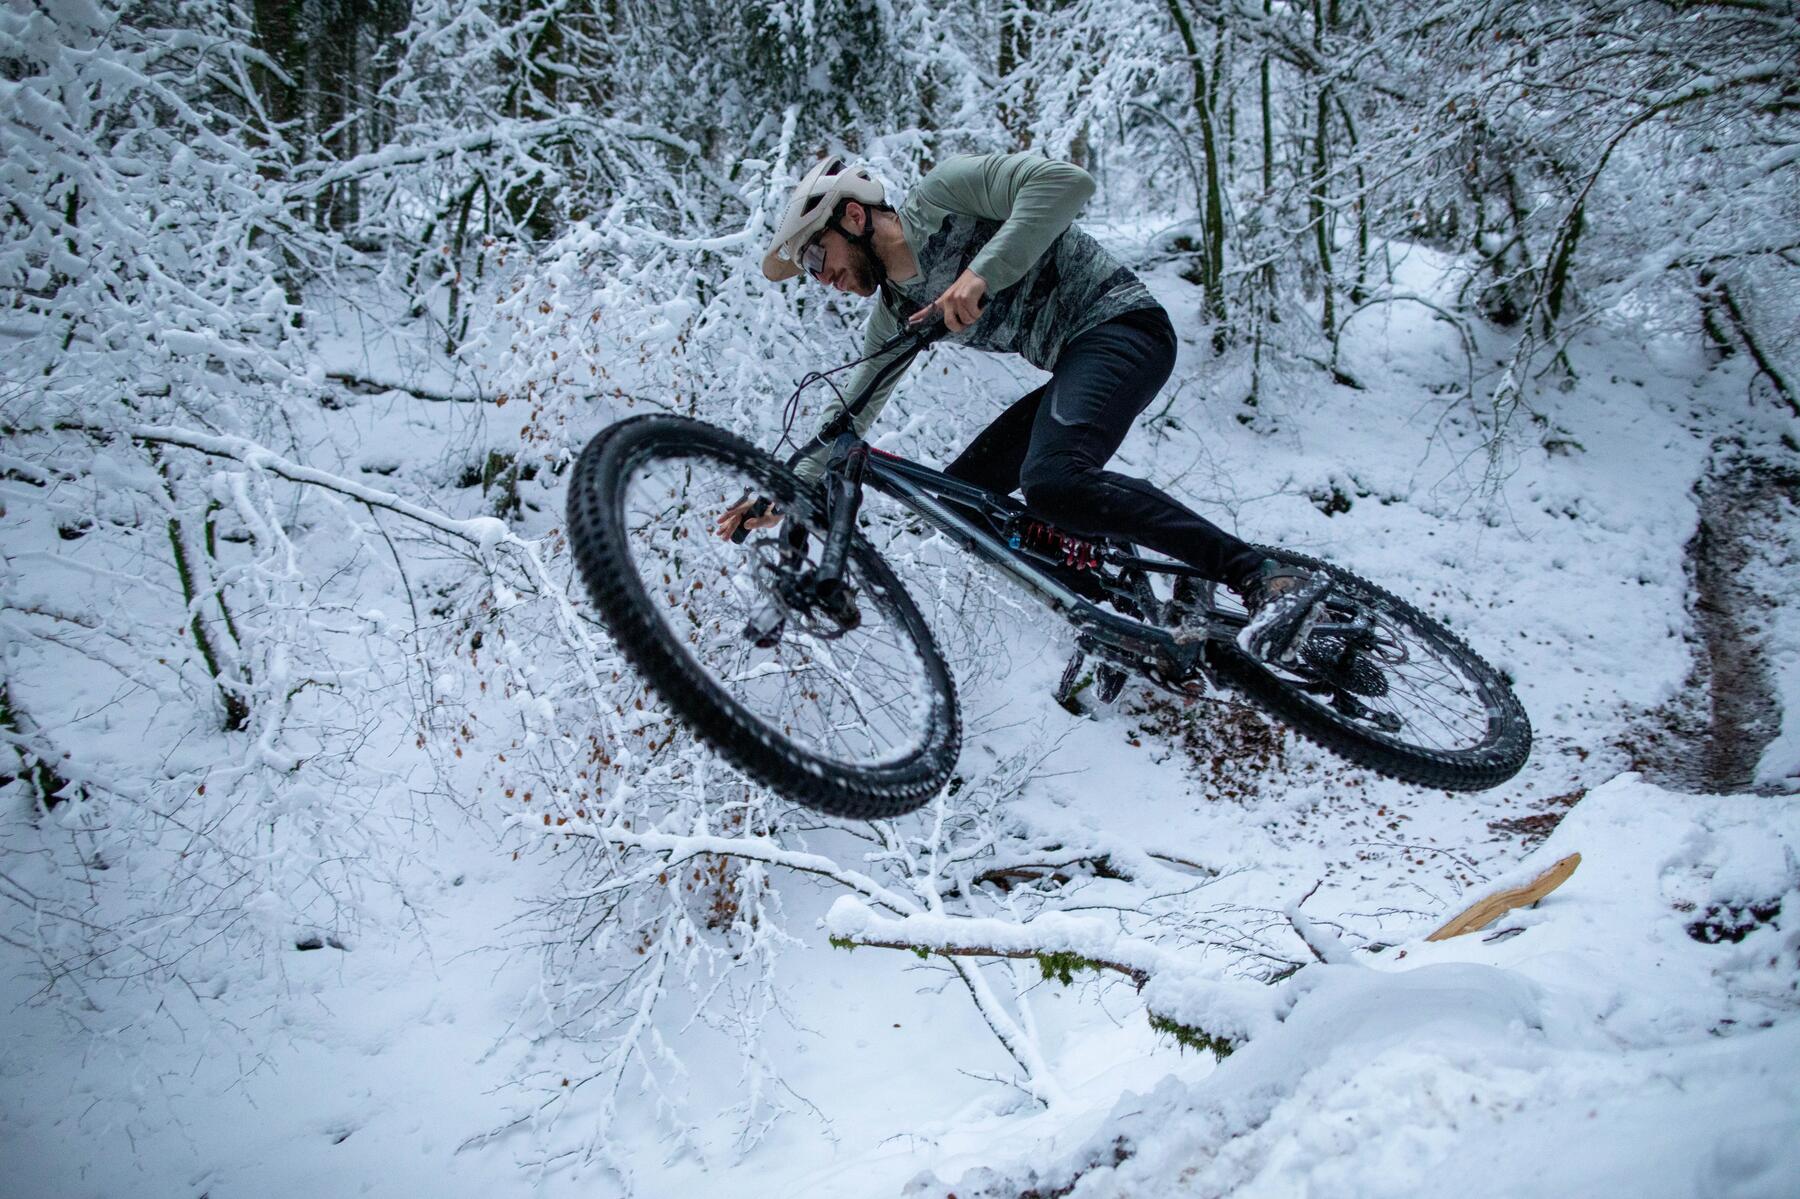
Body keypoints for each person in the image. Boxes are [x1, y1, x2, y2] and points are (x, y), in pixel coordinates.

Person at [721, 152, 1324, 661]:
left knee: (1052, 480)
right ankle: (1130, 619)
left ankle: (1260, 574)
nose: (821, 278)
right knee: (957, 506)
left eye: (818, 258)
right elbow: (851, 415)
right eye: (808, 271)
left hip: (1123, 325)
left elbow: (1066, 182)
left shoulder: (946, 193)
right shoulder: (897, 313)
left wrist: (980, 275)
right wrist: (783, 489)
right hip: (1074, 359)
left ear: (854, 217)